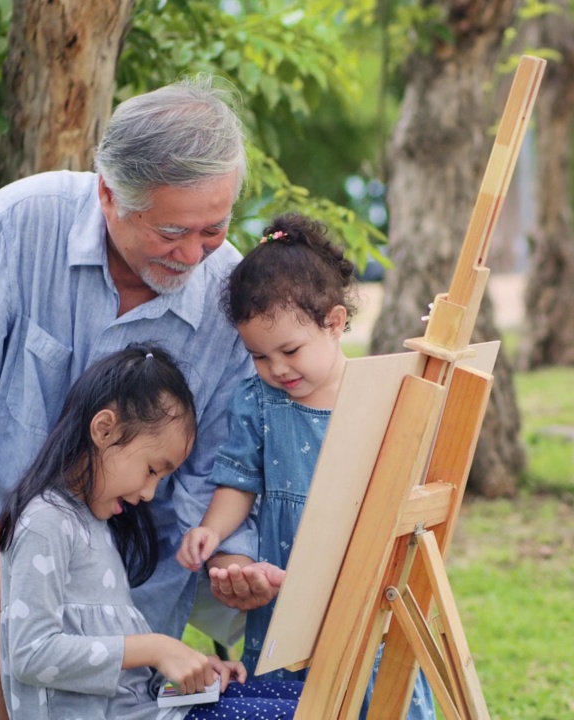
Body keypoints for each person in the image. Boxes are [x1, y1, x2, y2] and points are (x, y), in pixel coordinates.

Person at [0, 75, 256, 719]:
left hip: (150, 554)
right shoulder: (15, 225)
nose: (195, 254)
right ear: (109, 195)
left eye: (215, 227)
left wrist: (221, 552)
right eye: (173, 231)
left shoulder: (231, 295)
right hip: (10, 530)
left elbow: (216, 469)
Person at [176, 213, 435, 718]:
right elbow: (238, 482)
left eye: (290, 350)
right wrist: (211, 529)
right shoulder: (258, 401)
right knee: (292, 698)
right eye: (258, 355)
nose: (277, 368)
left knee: (372, 686)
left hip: (362, 580)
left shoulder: (380, 394)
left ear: (334, 323)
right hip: (286, 590)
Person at [0, 344, 301, 719]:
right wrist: (158, 648)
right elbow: (30, 654)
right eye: (152, 470)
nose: (149, 494)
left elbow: (124, 675)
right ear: (104, 430)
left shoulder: (95, 524)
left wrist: (190, 668)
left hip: (152, 708)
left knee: (305, 700)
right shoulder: (44, 523)